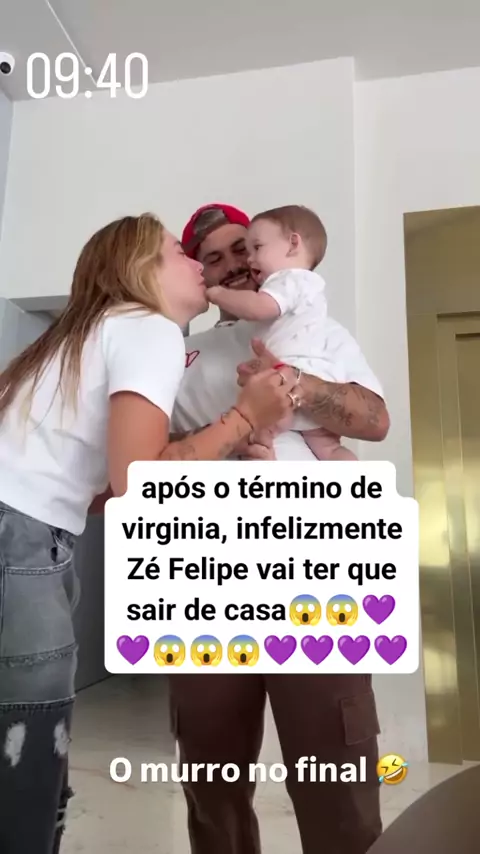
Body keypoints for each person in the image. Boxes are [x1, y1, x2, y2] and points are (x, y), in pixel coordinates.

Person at [0, 213, 297, 854]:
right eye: (178, 253)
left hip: (26, 532)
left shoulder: (73, 339)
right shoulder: (150, 328)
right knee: (27, 763)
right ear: (140, 270)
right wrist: (246, 418)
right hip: (19, 542)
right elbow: (137, 483)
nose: (196, 263)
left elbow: (100, 487)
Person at [168, 203, 390, 854]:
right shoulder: (180, 355)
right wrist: (233, 436)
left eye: (243, 248)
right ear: (201, 275)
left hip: (317, 581)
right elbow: (148, 458)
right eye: (214, 258)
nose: (235, 264)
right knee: (211, 780)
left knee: (337, 777)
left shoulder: (318, 329)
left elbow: (375, 420)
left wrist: (295, 385)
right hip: (206, 585)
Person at [207, 203, 357, 461]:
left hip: (286, 383)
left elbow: (257, 308)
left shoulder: (288, 280)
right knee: (329, 449)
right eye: (214, 259)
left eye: (255, 248)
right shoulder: (307, 285)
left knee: (258, 431)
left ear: (292, 244)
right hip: (314, 377)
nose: (249, 260)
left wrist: (217, 294)